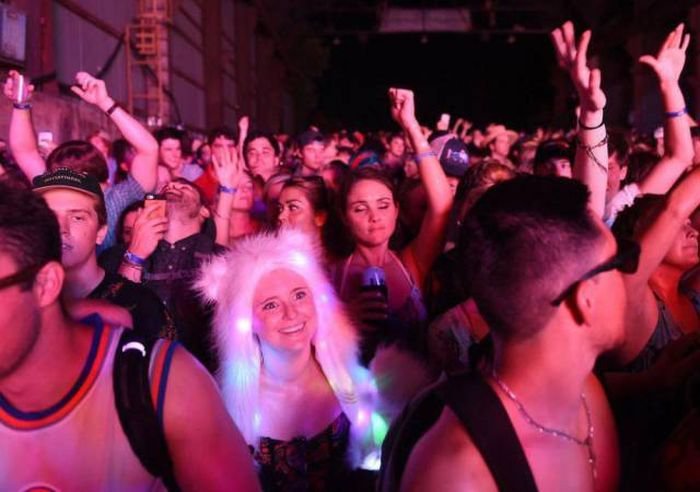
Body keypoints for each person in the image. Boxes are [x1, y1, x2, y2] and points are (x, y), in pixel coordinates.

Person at [0, 182, 260, 491]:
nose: (63, 229)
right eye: (52, 216)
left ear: (45, 285)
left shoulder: (159, 384)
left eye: (77, 216)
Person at [382, 176, 625, 491]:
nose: (626, 276)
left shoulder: (585, 393)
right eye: (619, 263)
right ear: (585, 299)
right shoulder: (458, 473)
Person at [197, 229, 385, 491]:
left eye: (299, 295)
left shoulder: (356, 379)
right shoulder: (224, 410)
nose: (292, 313)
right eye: (271, 305)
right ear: (245, 321)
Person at [4, 71, 160, 251]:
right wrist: (105, 103)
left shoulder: (116, 201)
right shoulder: (116, 198)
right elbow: (148, 149)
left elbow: (26, 153)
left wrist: (21, 104)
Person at [32, 167, 173, 339]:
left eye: (77, 218)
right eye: (48, 216)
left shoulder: (141, 305)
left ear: (100, 232)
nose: (61, 228)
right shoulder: (19, 303)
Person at [105, 178, 222, 372]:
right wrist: (135, 255)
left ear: (204, 211)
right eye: (167, 187)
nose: (173, 187)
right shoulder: (117, 256)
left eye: (184, 187)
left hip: (203, 374)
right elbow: (111, 319)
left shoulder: (222, 259)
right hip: (136, 371)